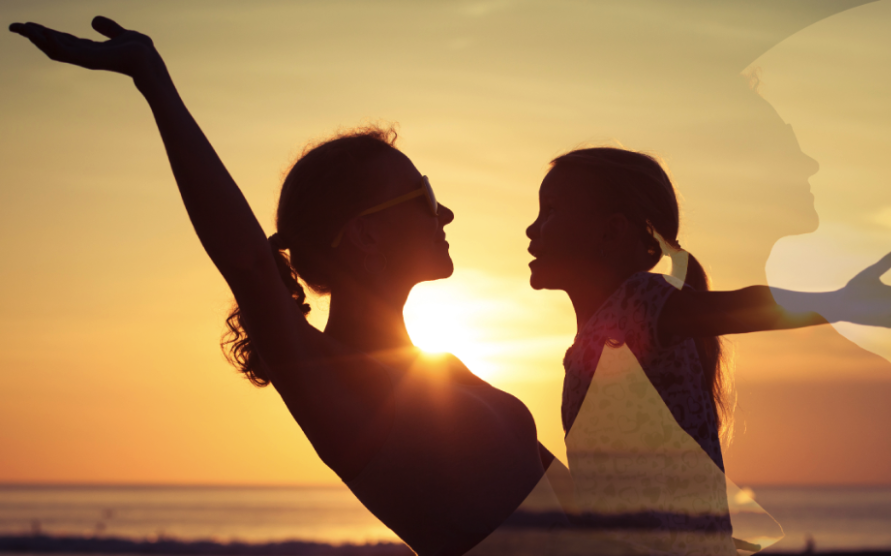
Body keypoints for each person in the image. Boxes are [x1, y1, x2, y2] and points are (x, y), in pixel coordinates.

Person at [9, 17, 564, 556]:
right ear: (366, 233)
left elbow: (595, 509)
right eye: (422, 195)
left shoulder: (442, 368)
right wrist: (153, 81)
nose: (443, 212)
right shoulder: (334, 380)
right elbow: (248, 262)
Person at [525, 147, 891, 554]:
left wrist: (842, 302)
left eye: (551, 211)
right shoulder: (593, 341)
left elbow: (738, 309)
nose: (533, 228)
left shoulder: (637, 302)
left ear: (611, 231)